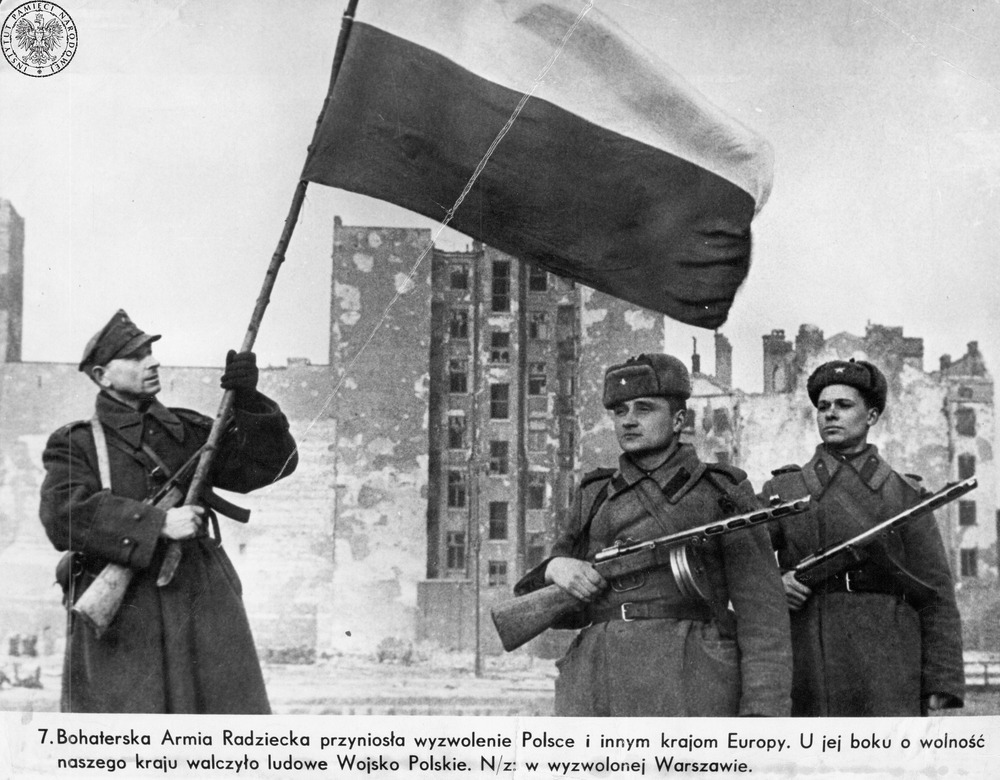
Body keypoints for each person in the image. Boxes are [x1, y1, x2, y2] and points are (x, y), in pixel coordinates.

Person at [39, 310, 298, 713]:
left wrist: (248, 401)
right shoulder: (77, 444)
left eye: (150, 352)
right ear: (102, 375)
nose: (153, 361)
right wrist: (158, 524)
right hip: (125, 617)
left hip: (200, 603)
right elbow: (61, 516)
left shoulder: (190, 431)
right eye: (136, 356)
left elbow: (271, 466)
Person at [513, 354, 792, 716]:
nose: (628, 420)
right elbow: (531, 597)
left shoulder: (721, 492)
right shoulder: (594, 494)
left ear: (678, 420)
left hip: (692, 681)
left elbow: (764, 620)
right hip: (599, 683)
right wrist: (556, 568)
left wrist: (761, 718)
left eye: (644, 408)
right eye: (619, 411)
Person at [761, 358, 964, 716]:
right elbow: (743, 563)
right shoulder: (786, 490)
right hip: (809, 653)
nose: (830, 415)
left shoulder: (904, 495)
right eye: (823, 407)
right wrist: (776, 583)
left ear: (871, 416)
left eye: (844, 405)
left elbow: (937, 592)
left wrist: (940, 681)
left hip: (889, 659)